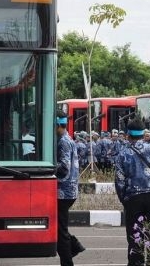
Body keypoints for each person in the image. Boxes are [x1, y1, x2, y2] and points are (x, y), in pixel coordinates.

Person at [115, 118, 150, 266]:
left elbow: (119, 181)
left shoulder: (123, 154)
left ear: (128, 134)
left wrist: (125, 200)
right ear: (143, 133)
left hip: (133, 199)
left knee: (135, 238)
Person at [55, 109, 83, 266]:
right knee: (60, 228)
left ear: (58, 125)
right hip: (68, 191)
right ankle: (74, 247)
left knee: (61, 231)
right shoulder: (67, 139)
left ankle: (68, 261)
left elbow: (64, 168)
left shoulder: (63, 142)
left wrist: (49, 167)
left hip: (63, 192)